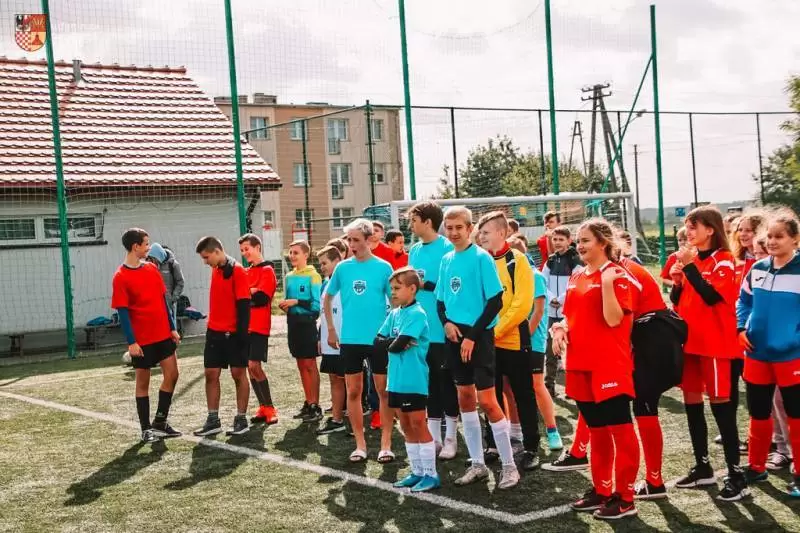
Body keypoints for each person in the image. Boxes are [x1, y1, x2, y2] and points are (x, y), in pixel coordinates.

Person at [550, 219, 640, 520]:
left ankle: (625, 498)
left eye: (586, 240)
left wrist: (606, 283)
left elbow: (614, 320)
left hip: (608, 365)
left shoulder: (617, 274)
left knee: (620, 431)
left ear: (603, 242)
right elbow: (570, 316)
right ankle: (602, 490)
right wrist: (560, 329)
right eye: (578, 240)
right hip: (579, 364)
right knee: (598, 431)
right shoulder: (577, 275)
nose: (580, 245)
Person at [436, 206, 519, 489]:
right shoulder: (446, 259)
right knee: (465, 399)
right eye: (449, 227)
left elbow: (495, 301)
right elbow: (440, 300)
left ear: (470, 228)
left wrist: (472, 336)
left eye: (459, 227)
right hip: (454, 337)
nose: (453, 232)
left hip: (479, 337)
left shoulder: (481, 258)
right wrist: (446, 323)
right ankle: (478, 464)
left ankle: (509, 467)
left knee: (488, 401)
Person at [669, 206, 746, 501]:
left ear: (710, 229)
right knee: (692, 405)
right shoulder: (693, 260)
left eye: (694, 227)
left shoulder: (723, 259)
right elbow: (679, 300)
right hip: (690, 344)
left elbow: (713, 296)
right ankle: (703, 467)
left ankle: (736, 475)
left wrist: (689, 268)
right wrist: (678, 282)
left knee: (721, 408)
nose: (688, 232)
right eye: (687, 227)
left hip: (715, 345)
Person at [737, 209, 800, 497]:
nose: (772, 242)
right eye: (770, 236)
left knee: (796, 415)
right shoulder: (758, 268)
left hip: (792, 356)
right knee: (758, 412)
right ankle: (756, 466)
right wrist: (741, 328)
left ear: (795, 239)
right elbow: (744, 301)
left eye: (779, 236)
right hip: (756, 355)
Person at [324, 218, 394, 463]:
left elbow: (395, 302)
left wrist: (395, 331)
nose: (351, 245)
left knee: (383, 391)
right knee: (353, 391)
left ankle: (386, 444)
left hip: (378, 339)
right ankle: (360, 445)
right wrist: (331, 330)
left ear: (369, 240)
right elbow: (328, 298)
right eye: (349, 240)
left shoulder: (384, 267)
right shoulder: (343, 268)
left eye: (356, 240)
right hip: (350, 339)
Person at [477, 212, 540, 472]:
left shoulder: (517, 259)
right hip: (487, 342)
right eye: (480, 232)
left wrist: (493, 331)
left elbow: (522, 305)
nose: (481, 237)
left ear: (502, 233)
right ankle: (493, 444)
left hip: (513, 341)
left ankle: (531, 447)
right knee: (489, 395)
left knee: (523, 394)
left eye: (486, 232)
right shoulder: (480, 260)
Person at [112, 228, 181, 443]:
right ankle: (145, 429)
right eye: (146, 244)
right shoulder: (120, 277)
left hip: (163, 334)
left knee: (173, 375)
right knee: (143, 383)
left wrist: (172, 327)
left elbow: (163, 301)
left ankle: (160, 421)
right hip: (142, 340)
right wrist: (132, 342)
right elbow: (123, 313)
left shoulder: (152, 268)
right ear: (136, 247)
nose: (149, 248)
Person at [377, 267, 440, 492]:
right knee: (405, 425)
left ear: (413, 289)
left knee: (418, 423)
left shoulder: (417, 314)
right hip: (395, 379)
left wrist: (396, 342)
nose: (392, 292)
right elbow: (379, 341)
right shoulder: (394, 314)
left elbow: (396, 346)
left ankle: (431, 474)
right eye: (391, 288)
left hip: (414, 379)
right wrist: (395, 341)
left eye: (397, 288)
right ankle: (417, 471)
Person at [407, 201, 460, 460]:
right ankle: (434, 438)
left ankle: (451, 438)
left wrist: (426, 284)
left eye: (414, 220)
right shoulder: (414, 250)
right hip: (421, 331)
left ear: (428, 222)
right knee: (428, 385)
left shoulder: (447, 248)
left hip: (443, 329)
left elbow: (451, 287)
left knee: (446, 384)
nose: (410, 225)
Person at [508, 236, 563, 452]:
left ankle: (552, 430)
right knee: (511, 388)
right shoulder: (509, 275)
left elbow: (539, 312)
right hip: (511, 342)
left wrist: (524, 339)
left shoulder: (534, 276)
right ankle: (516, 431)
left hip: (532, 342)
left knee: (536, 385)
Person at [193, 236, 252, 437]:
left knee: (238, 374)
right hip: (214, 332)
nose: (205, 262)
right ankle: (213, 420)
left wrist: (242, 336)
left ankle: (241, 419)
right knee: (211, 374)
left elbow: (244, 306)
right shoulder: (216, 269)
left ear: (217, 251)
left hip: (234, 334)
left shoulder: (238, 271)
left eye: (206, 257)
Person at [281, 240, 323, 423]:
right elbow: (289, 301)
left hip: (307, 325)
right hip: (293, 325)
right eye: (290, 252)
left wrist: (297, 302)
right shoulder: (289, 276)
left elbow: (316, 306)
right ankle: (308, 401)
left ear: (306, 254)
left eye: (296, 252)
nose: (292, 256)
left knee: (309, 364)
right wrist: (286, 306)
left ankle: (315, 405)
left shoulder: (314, 276)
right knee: (300, 365)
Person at [239, 234, 278, 426]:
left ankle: (270, 408)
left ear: (257, 248)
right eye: (242, 250)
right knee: (249, 368)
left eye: (247, 249)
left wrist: (250, 293)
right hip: (244, 327)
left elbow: (262, 299)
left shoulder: (267, 270)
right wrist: (251, 291)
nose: (244, 253)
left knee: (254, 366)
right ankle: (263, 407)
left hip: (259, 327)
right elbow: (239, 298)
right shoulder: (245, 272)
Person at [542, 226, 583, 399]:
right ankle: (549, 385)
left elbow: (576, 283)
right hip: (552, 313)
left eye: (561, 239)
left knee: (573, 350)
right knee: (551, 350)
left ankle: (574, 388)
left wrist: (561, 299)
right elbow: (543, 281)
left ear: (569, 240)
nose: (557, 242)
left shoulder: (576, 260)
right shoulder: (550, 261)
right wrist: (552, 298)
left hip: (569, 313)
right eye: (555, 239)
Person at [316, 245, 347, 435]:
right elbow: (324, 313)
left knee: (349, 381)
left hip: (345, 341)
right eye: (320, 264)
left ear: (337, 260)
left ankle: (353, 419)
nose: (322, 267)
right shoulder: (326, 283)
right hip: (329, 342)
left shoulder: (346, 281)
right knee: (334, 379)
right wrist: (321, 336)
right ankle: (337, 419)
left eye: (325, 263)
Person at [146, 243, 185, 334]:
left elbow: (180, 282)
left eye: (153, 259)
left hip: (169, 303)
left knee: (171, 330)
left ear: (158, 256)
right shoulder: (151, 265)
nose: (152, 261)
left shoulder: (173, 264)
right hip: (155, 304)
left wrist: (173, 298)